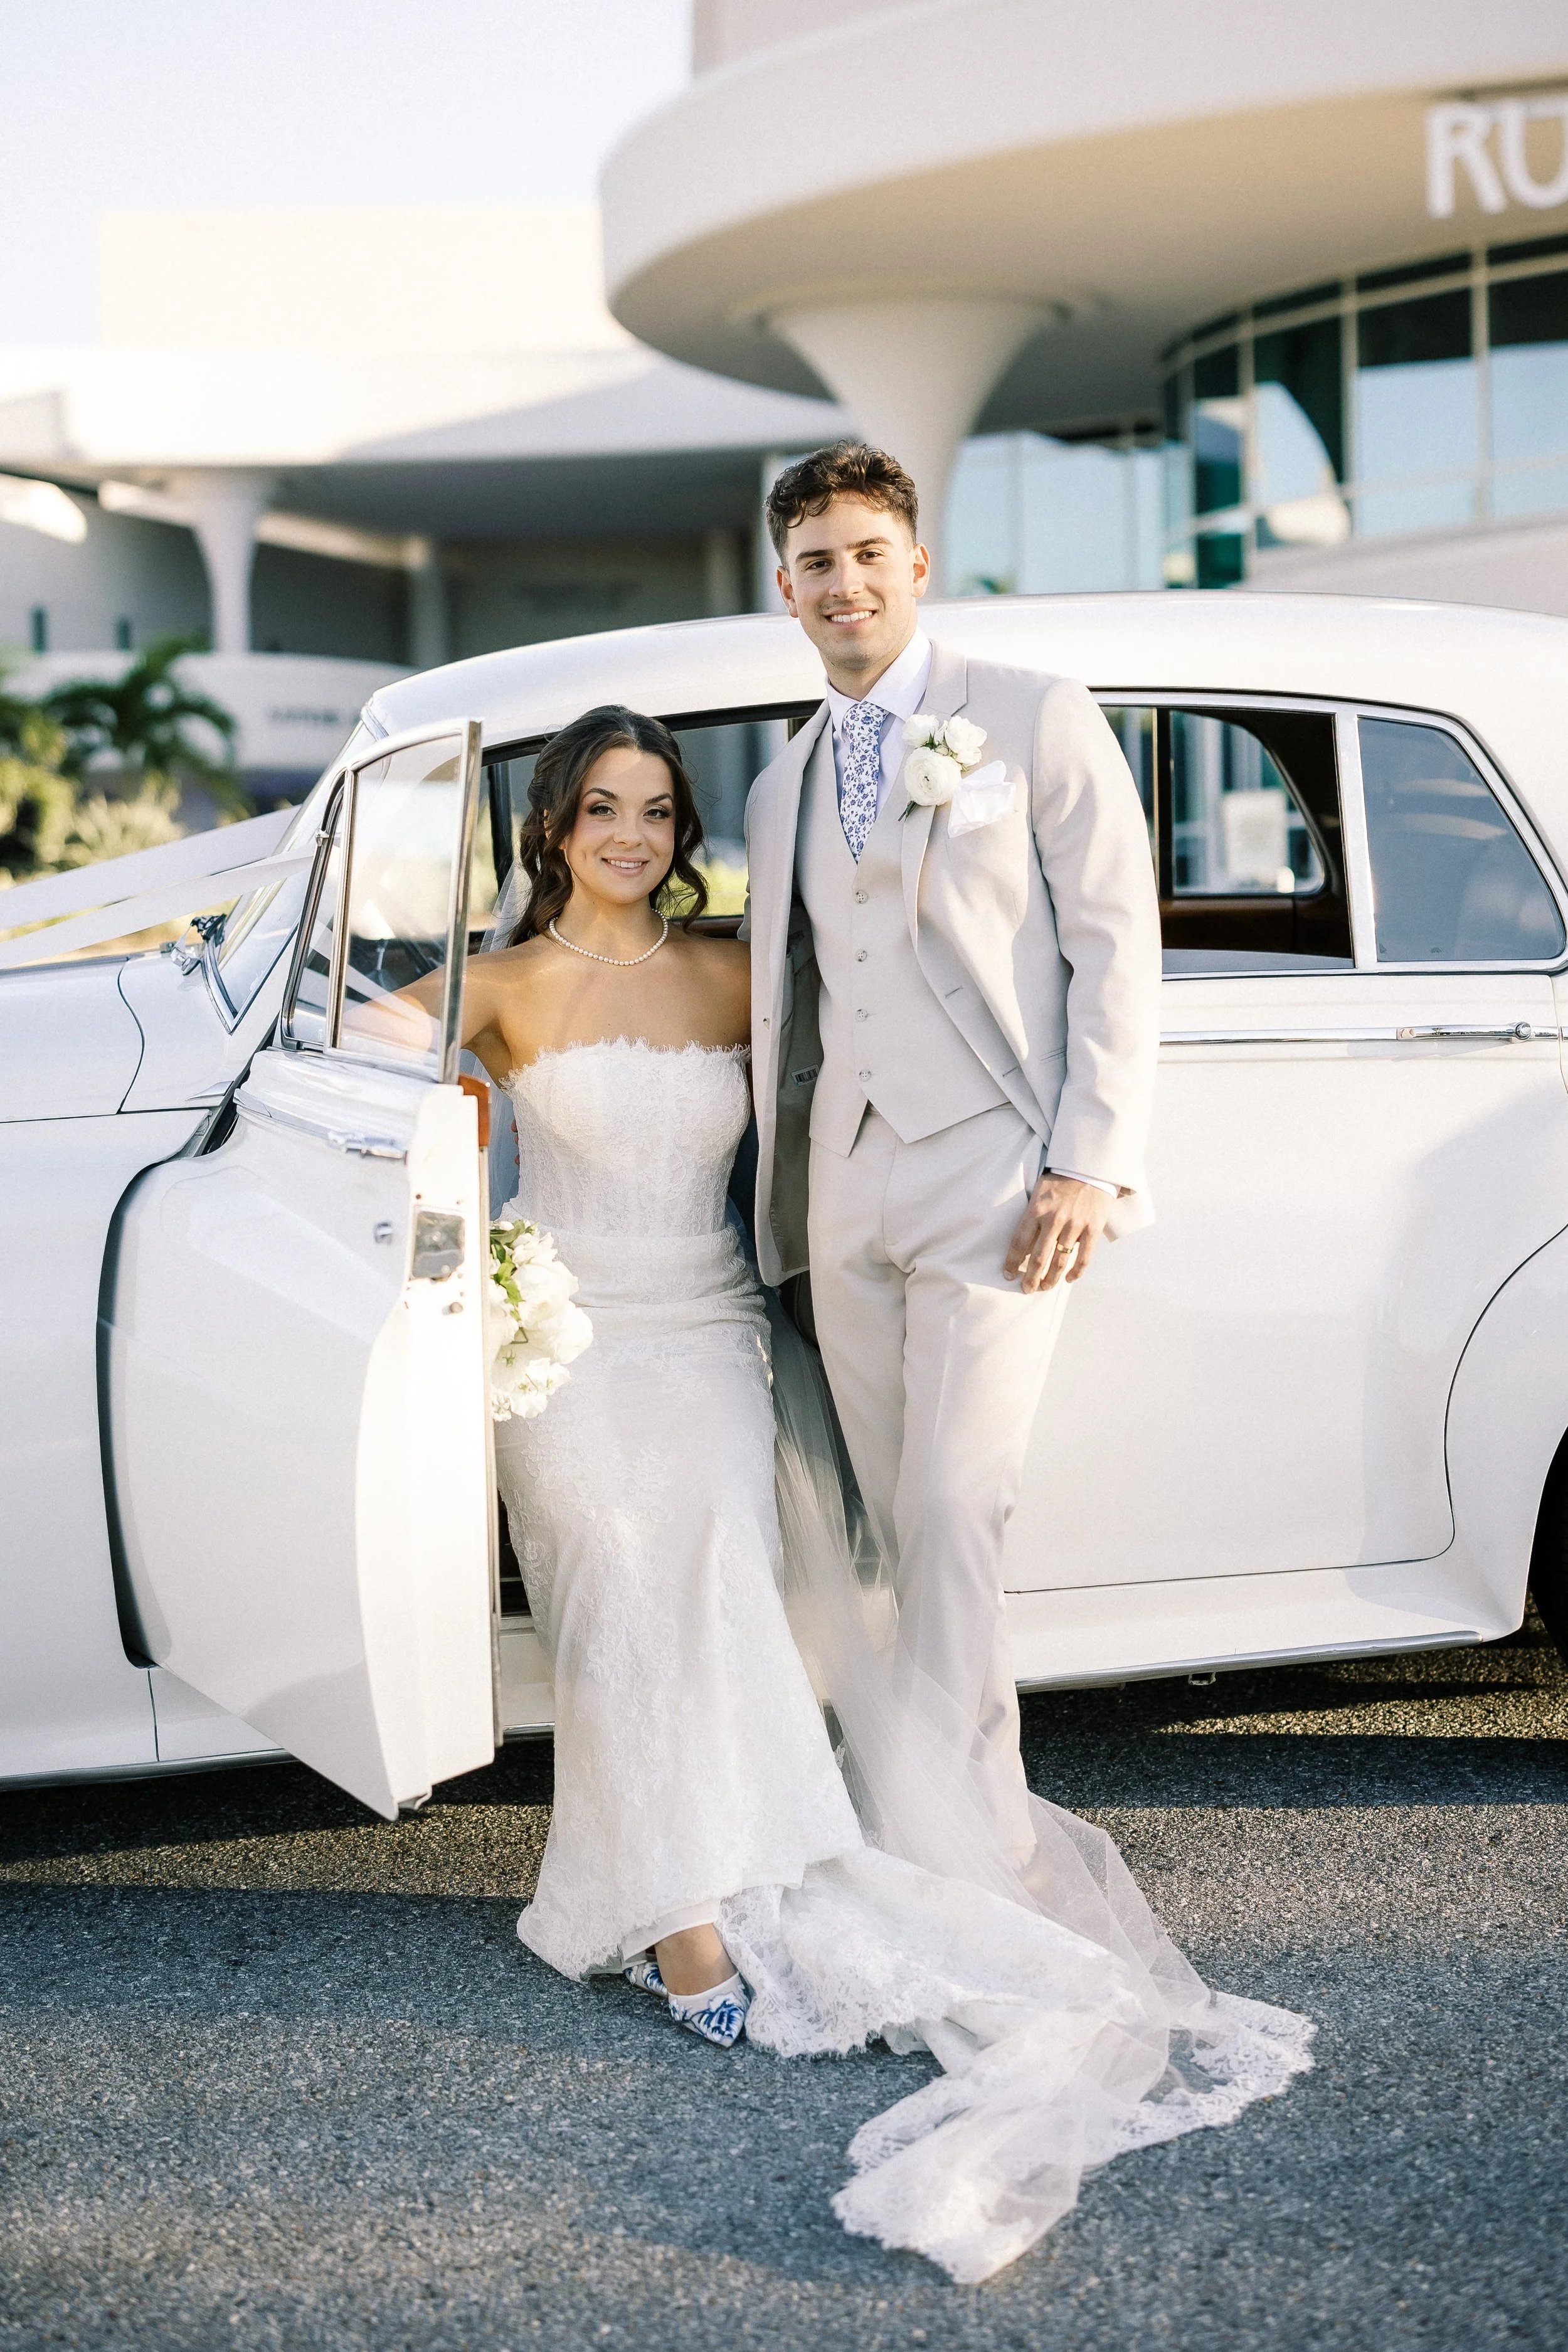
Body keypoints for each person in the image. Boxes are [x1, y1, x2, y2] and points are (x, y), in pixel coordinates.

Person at [450, 701, 1311, 2287]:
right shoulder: (489, 987)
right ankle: (674, 1904)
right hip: (562, 1344)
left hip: (705, 1327)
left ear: (680, 832)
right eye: (602, 809)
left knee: (713, 1567)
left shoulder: (730, 976)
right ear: (551, 827)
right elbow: (355, 1098)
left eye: (656, 811)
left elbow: (883, 1041)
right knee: (613, 1581)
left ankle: (716, 1880)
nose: (631, 837)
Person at [744, 440, 1160, 1855]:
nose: (844, 582)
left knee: (951, 1505)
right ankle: (944, 1809)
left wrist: (1089, 1161)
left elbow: (1116, 944)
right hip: (843, 1181)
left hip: (999, 1171)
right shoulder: (781, 785)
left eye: (868, 554)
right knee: (895, 1514)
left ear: (915, 565)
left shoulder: (1032, 715)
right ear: (786, 589)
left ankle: (962, 1842)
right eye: (816, 562)